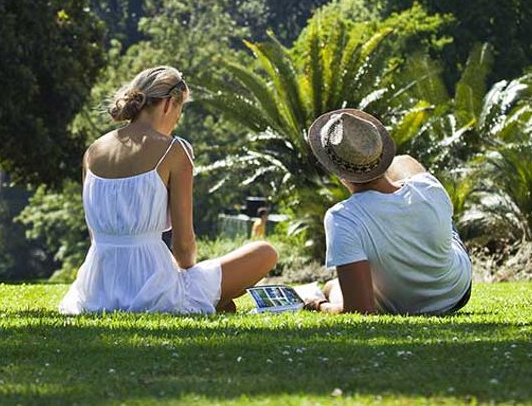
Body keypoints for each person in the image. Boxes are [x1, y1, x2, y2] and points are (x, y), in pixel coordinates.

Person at [60, 66, 277, 314]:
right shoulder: (173, 151)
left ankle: (219, 302)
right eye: (180, 109)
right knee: (264, 252)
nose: (178, 119)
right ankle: (217, 301)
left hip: (95, 290)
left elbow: (95, 236)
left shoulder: (93, 152)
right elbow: (184, 250)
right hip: (155, 290)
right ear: (167, 104)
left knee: (219, 289)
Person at [302, 108, 472, 316]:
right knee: (404, 162)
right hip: (455, 292)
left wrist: (318, 304)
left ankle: (328, 288)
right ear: (382, 156)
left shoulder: (343, 217)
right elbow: (407, 164)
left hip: (405, 306)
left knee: (331, 288)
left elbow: (360, 311)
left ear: (336, 171)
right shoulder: (429, 186)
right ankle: (330, 286)